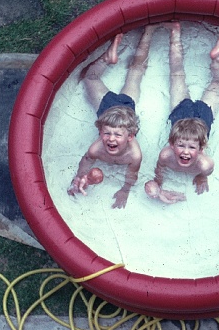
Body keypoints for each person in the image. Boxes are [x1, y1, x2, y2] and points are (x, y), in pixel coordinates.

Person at [67, 25, 156, 208]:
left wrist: (125, 190)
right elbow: (85, 163)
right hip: (107, 110)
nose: (111, 139)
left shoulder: (135, 154)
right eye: (106, 134)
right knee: (124, 74)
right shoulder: (96, 149)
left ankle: (147, 32)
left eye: (116, 136)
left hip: (126, 110)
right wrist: (78, 179)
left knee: (132, 72)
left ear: (131, 136)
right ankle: (115, 53)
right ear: (100, 131)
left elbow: (132, 174)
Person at [145, 22, 219, 204]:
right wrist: (158, 185)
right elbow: (159, 171)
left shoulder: (203, 164)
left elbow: (162, 169)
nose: (185, 151)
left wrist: (202, 177)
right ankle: (212, 57)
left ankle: (178, 37)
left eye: (191, 147)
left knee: (177, 74)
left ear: (202, 148)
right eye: (182, 146)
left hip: (183, 116)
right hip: (190, 119)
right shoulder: (169, 156)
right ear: (171, 143)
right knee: (217, 84)